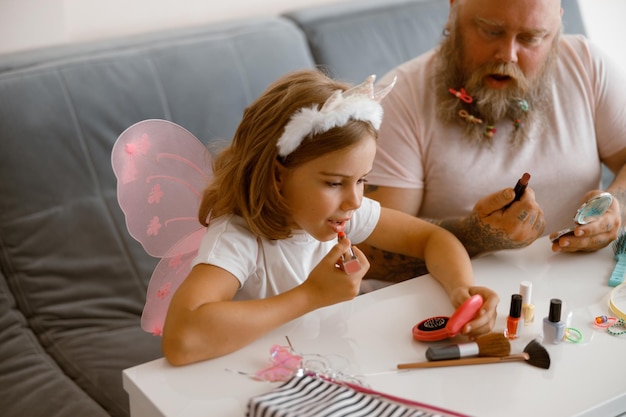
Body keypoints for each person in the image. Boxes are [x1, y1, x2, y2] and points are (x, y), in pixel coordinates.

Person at [160, 69, 499, 366]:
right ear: (278, 176)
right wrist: (312, 295)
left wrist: (462, 289)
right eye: (335, 183)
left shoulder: (341, 212)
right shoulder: (239, 237)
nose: (354, 200)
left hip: (329, 362)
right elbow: (181, 340)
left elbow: (433, 239)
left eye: (363, 180)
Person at [363, 0, 626, 282]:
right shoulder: (401, 99)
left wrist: (615, 207)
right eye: (491, 31)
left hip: (583, 289)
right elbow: (367, 253)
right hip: (456, 298)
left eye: (531, 38)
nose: (508, 55)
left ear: (557, 26)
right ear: (454, 11)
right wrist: (473, 236)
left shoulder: (586, 64)